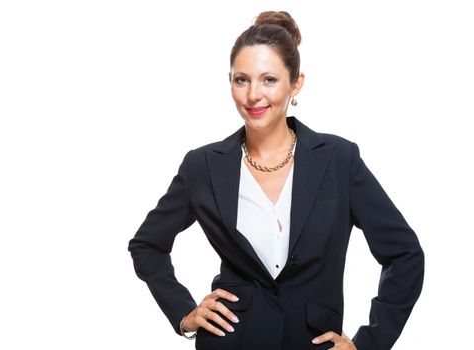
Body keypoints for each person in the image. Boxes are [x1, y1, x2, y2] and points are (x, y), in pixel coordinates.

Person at [128, 10, 424, 350]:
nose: (253, 94)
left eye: (269, 79)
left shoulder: (339, 160)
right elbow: (147, 244)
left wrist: (368, 343)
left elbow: (405, 254)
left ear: (295, 83)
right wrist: (183, 314)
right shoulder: (203, 166)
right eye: (241, 79)